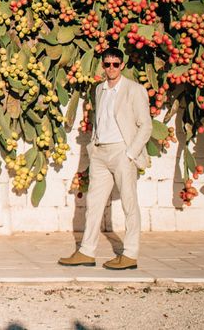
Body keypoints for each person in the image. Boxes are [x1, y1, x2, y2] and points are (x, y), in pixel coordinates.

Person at [58, 47, 151, 270]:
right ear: (102, 65)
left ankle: (130, 254)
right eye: (107, 64)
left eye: (115, 64)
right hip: (100, 151)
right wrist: (94, 144)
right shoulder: (99, 89)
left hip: (122, 151)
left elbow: (146, 126)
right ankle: (87, 252)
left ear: (122, 65)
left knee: (129, 203)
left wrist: (130, 153)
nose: (111, 68)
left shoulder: (134, 90)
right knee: (93, 204)